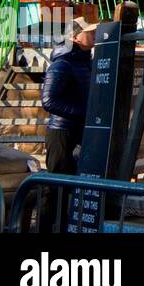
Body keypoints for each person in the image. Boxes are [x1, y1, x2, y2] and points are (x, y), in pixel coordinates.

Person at [37, 15, 96, 233]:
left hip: (78, 130)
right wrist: (83, 113)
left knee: (68, 187)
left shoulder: (85, 62)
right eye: (89, 31)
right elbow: (49, 101)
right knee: (55, 189)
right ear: (75, 36)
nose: (94, 35)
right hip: (61, 133)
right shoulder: (62, 64)